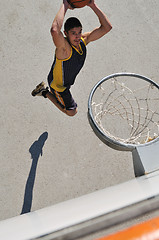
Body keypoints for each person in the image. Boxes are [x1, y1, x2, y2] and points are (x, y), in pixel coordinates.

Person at [31, 0, 112, 116]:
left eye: (79, 32)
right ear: (65, 33)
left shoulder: (83, 40)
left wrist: (92, 5)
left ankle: (43, 90)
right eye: (73, 33)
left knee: (71, 109)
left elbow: (107, 28)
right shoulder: (64, 49)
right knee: (71, 112)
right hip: (58, 86)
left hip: (66, 81)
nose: (77, 36)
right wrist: (65, 4)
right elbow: (54, 30)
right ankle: (44, 92)